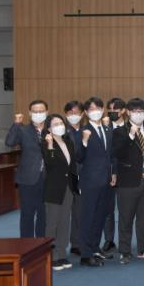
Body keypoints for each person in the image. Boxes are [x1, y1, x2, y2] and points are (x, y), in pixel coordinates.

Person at [112, 98, 144, 264]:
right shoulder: (120, 132)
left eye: (141, 111)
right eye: (135, 111)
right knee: (126, 218)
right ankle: (125, 251)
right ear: (128, 112)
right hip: (128, 181)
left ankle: (143, 249)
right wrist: (130, 135)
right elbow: (117, 153)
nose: (139, 115)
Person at [5, 99, 48, 238]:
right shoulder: (23, 130)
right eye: (35, 111)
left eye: (41, 111)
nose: (38, 113)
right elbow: (10, 142)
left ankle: (42, 243)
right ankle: (27, 246)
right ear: (30, 113)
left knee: (44, 214)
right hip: (27, 178)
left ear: (47, 112)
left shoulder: (52, 129)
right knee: (27, 214)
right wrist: (16, 123)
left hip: (48, 179)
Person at [78, 97, 113, 267]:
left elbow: (110, 154)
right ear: (86, 112)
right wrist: (84, 142)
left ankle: (94, 248)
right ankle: (85, 255)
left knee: (100, 216)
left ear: (103, 110)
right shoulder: (82, 131)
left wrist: (114, 173)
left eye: (98, 108)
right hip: (90, 182)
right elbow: (78, 157)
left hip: (106, 180)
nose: (96, 111)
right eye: (91, 109)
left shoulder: (107, 129)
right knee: (88, 217)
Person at [42, 114, 79, 270]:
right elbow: (50, 163)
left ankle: (62, 254)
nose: (59, 126)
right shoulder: (45, 143)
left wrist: (76, 185)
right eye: (55, 124)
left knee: (65, 222)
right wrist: (50, 144)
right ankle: (51, 256)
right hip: (54, 188)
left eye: (61, 123)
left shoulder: (68, 142)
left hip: (68, 187)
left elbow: (72, 166)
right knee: (52, 223)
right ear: (49, 128)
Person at [102, 97, 125, 254]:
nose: (112, 112)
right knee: (108, 209)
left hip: (126, 174)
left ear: (123, 111)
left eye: (115, 109)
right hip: (109, 174)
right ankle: (109, 240)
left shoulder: (131, 127)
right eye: (109, 109)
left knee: (125, 210)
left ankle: (125, 242)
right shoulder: (104, 127)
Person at [64, 100, 84, 256]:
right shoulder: (61, 131)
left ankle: (77, 243)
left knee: (79, 212)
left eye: (76, 112)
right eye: (70, 113)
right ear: (66, 115)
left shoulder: (87, 131)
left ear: (82, 114)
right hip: (65, 177)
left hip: (83, 177)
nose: (73, 115)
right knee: (62, 214)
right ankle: (58, 245)